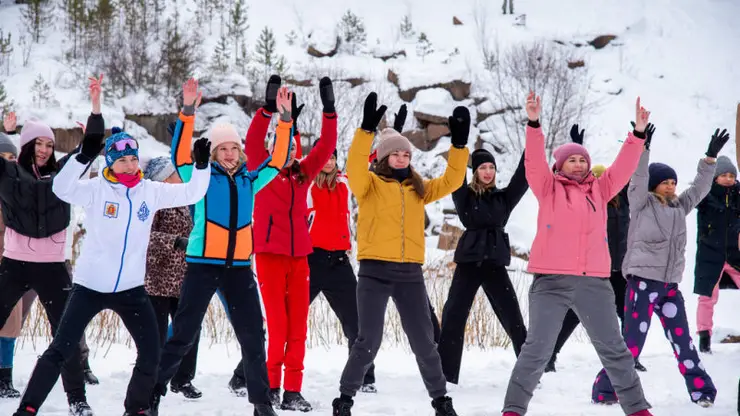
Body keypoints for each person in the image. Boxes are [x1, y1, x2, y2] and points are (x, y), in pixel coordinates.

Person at [12, 76, 211, 416]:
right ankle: (27, 408)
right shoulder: (95, 189)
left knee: (152, 352)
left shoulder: (150, 190)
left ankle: (136, 409)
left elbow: (193, 192)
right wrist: (83, 153)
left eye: (134, 159)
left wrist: (203, 166)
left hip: (132, 290)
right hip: (89, 287)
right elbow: (61, 188)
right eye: (123, 161)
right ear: (111, 164)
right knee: (61, 349)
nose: (131, 165)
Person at [501, 93, 652, 416]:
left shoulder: (601, 188)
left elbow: (624, 167)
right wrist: (533, 123)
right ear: (560, 165)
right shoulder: (547, 187)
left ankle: (638, 409)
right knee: (537, 350)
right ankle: (513, 410)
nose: (580, 164)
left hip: (594, 283)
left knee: (614, 350)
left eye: (583, 160)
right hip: (551, 282)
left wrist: (637, 134)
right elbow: (534, 162)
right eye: (573, 160)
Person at [151, 80, 293, 416]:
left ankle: (261, 402)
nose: (229, 154)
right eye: (222, 149)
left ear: (240, 152)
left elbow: (278, 160)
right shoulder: (199, 177)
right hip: (202, 266)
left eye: (234, 148)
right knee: (183, 334)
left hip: (240, 270)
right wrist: (187, 113)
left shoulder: (250, 179)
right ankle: (152, 393)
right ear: (213, 152)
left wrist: (285, 120)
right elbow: (179, 154)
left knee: (254, 336)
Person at [331, 93, 469, 416]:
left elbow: (452, 180)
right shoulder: (369, 186)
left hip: (410, 275)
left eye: (406, 153)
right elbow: (353, 167)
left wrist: (459, 146)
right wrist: (366, 131)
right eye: (395, 153)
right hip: (374, 273)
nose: (402, 157)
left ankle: (441, 401)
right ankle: (344, 399)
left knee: (424, 343)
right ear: (383, 157)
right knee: (368, 341)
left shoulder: (418, 189)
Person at [592, 128, 728, 408]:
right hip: (642, 283)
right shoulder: (641, 204)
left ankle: (701, 390)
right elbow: (638, 178)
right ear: (654, 185)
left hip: (669, 287)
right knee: (631, 344)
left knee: (684, 343)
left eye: (673, 182)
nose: (670, 186)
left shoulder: (679, 207)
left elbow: (700, 189)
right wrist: (643, 149)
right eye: (665, 182)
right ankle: (606, 388)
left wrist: (710, 159)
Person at [240, 75, 337, 411]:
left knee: (298, 330)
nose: (292, 156)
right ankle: (271, 387)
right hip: (269, 256)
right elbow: (253, 141)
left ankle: (293, 391)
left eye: (295, 151)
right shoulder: (259, 170)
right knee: (278, 329)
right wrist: (268, 110)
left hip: (300, 259)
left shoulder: (302, 175)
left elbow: (325, 147)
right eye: (287, 150)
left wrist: (329, 111)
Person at [0, 100, 96, 413]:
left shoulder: (63, 175)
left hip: (53, 268)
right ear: (26, 145)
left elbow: (90, 149)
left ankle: (77, 399)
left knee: (66, 333)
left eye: (49, 144)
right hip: (15, 264)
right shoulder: (11, 175)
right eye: (37, 143)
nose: (43, 149)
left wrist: (94, 110)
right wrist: (8, 134)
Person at [545, 124, 653, 374]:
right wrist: (579, 146)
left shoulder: (625, 199)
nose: (603, 181)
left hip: (620, 269)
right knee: (573, 315)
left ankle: (630, 357)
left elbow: (631, 174)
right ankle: (550, 355)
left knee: (627, 315)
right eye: (598, 178)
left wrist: (643, 147)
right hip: (595, 269)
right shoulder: (592, 200)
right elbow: (578, 180)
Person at [437, 145, 528, 385]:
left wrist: (533, 136)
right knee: (454, 315)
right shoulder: (464, 195)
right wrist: (458, 144)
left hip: (495, 265)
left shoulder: (504, 198)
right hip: (468, 263)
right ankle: (446, 375)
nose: (488, 172)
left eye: (491, 168)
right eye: (482, 168)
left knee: (513, 317)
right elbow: (455, 172)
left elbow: (524, 175)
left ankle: (530, 368)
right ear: (475, 171)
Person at [143, 156, 202, 399]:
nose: (180, 176)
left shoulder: (185, 200)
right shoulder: (154, 202)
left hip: (184, 278)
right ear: (165, 179)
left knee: (190, 330)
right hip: (158, 279)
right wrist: (175, 242)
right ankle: (152, 379)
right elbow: (145, 235)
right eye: (176, 173)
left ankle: (183, 379)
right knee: (156, 335)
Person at [693, 154, 740, 352]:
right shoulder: (706, 195)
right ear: (715, 177)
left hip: (735, 255)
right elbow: (697, 184)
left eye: (732, 175)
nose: (728, 179)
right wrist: (707, 161)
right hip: (710, 255)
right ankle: (704, 338)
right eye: (724, 175)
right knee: (707, 298)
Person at [0, 132, 21, 399]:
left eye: (11, 157)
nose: (6, 162)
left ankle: (5, 376)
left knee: (9, 325)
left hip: (12, 262)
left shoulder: (20, 188)